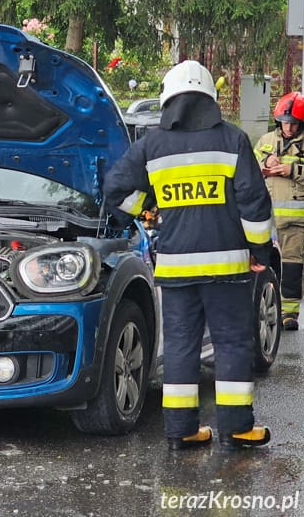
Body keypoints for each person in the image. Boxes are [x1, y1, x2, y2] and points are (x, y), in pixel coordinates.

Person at [104, 60, 273, 451]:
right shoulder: (232, 140)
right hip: (228, 269)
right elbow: (253, 202)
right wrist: (259, 250)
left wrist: (144, 207)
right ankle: (237, 427)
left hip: (177, 268)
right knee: (232, 344)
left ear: (167, 100)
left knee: (181, 346)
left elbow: (115, 192)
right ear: (211, 100)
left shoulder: (151, 146)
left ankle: (181, 430)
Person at [254, 91, 304, 330]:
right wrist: (266, 164)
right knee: (265, 264)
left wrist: (292, 170)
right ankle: (265, 307)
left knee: (292, 266)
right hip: (268, 219)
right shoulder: (265, 141)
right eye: (285, 122)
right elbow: (249, 166)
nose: (288, 127)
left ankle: (290, 313)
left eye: (293, 123)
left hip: (298, 221)